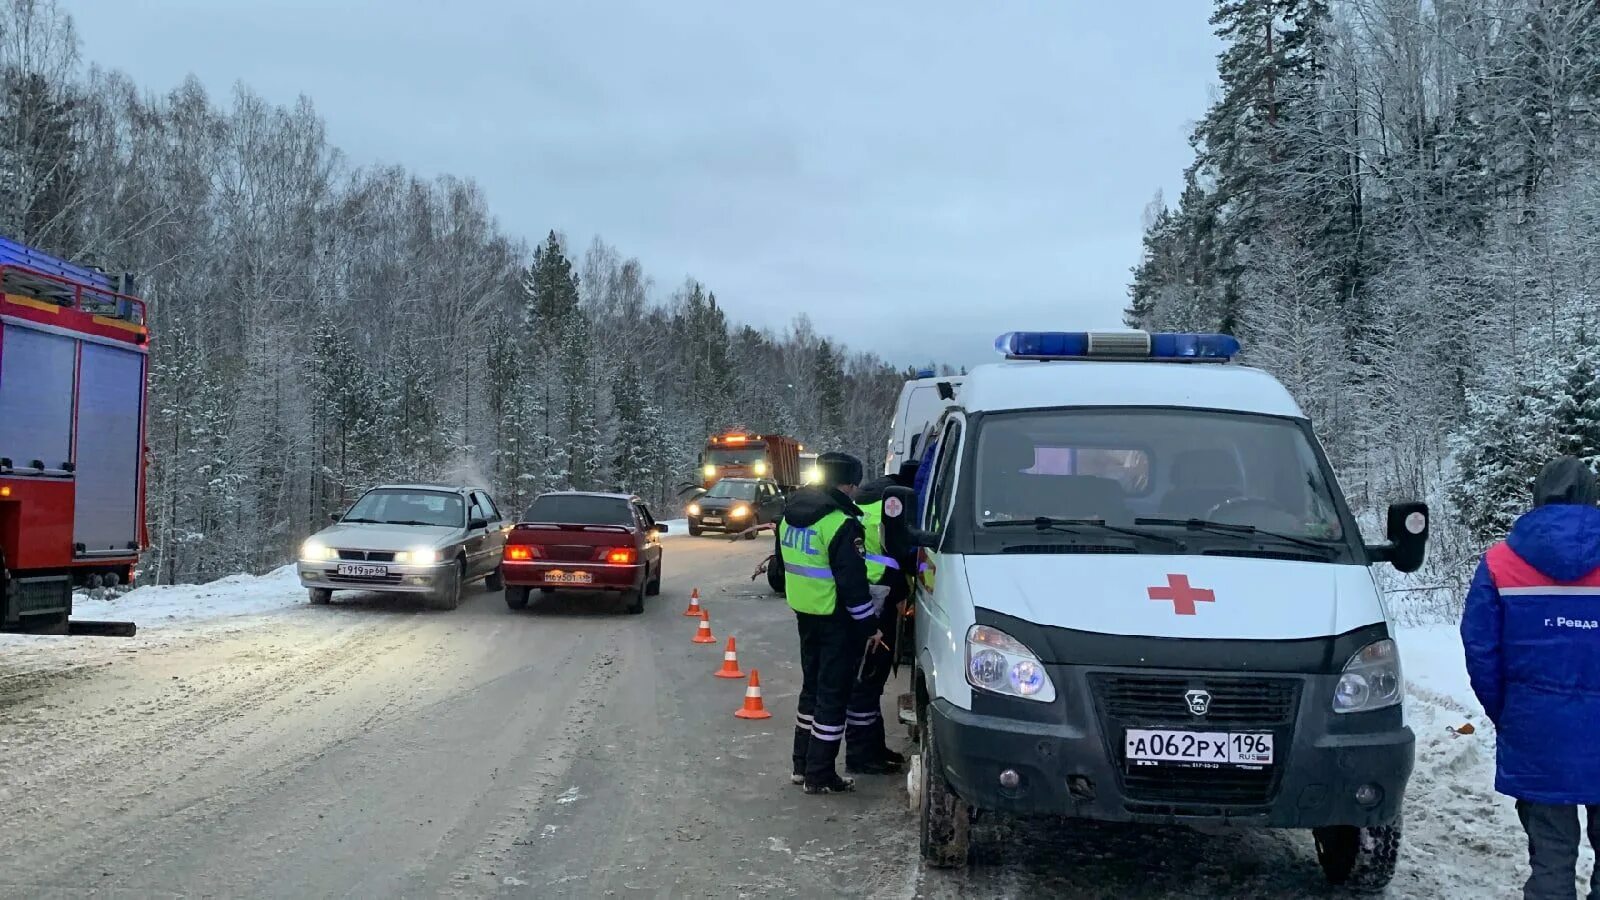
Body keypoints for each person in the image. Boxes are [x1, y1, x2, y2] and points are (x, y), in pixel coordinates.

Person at [1462, 456, 1600, 900]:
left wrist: (1510, 711)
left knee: (1551, 858)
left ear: (1538, 496)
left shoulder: (1501, 562)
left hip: (1538, 731)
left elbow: (1480, 648)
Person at [772, 451, 876, 794]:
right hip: (837, 622)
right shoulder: (840, 523)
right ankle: (820, 774)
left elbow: (780, 568)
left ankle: (801, 766)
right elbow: (853, 585)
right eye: (855, 486)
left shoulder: (790, 516)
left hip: (806, 614)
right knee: (833, 696)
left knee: (812, 690)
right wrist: (869, 625)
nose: (857, 493)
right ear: (845, 484)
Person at [843, 475, 912, 775]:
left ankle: (874, 747)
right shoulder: (892, 510)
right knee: (868, 681)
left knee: (870, 681)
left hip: (868, 598)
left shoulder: (864, 505)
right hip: (879, 600)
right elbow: (898, 560)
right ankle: (861, 756)